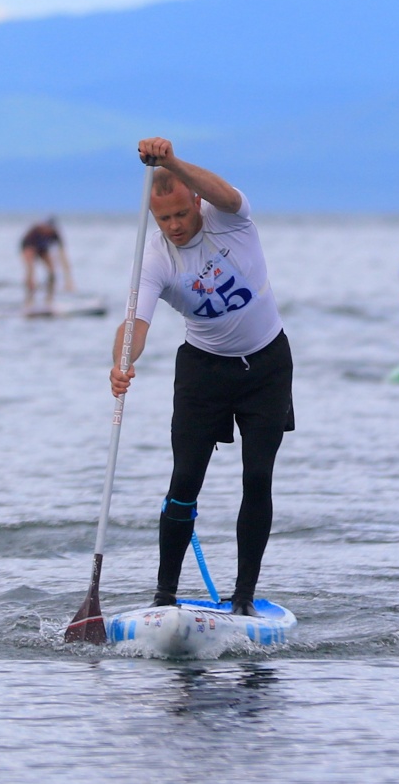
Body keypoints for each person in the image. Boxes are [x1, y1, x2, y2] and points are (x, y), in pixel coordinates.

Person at [110, 137, 294, 617]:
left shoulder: (231, 218)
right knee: (184, 480)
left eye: (180, 215)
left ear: (196, 201)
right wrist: (123, 361)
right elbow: (136, 323)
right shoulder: (153, 257)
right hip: (203, 369)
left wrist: (170, 161)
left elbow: (226, 194)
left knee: (257, 477)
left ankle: (245, 598)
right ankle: (164, 597)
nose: (173, 227)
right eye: (163, 219)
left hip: (267, 364)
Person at [20, 217, 74, 308]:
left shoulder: (54, 234)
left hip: (42, 249)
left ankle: (49, 298)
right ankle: (29, 299)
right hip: (29, 247)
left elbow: (63, 257)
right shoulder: (35, 231)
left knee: (52, 270)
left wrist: (68, 280)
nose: (47, 231)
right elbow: (27, 249)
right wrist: (32, 278)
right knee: (30, 270)